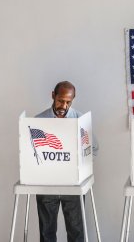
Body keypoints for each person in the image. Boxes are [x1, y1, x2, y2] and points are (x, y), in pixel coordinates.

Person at [35, 81, 91, 242]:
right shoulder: (39, 121)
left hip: (72, 183)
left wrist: (81, 165)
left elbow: (92, 149)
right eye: (60, 100)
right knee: (46, 233)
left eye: (68, 102)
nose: (64, 106)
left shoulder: (81, 120)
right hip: (47, 184)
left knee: (76, 232)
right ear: (53, 95)